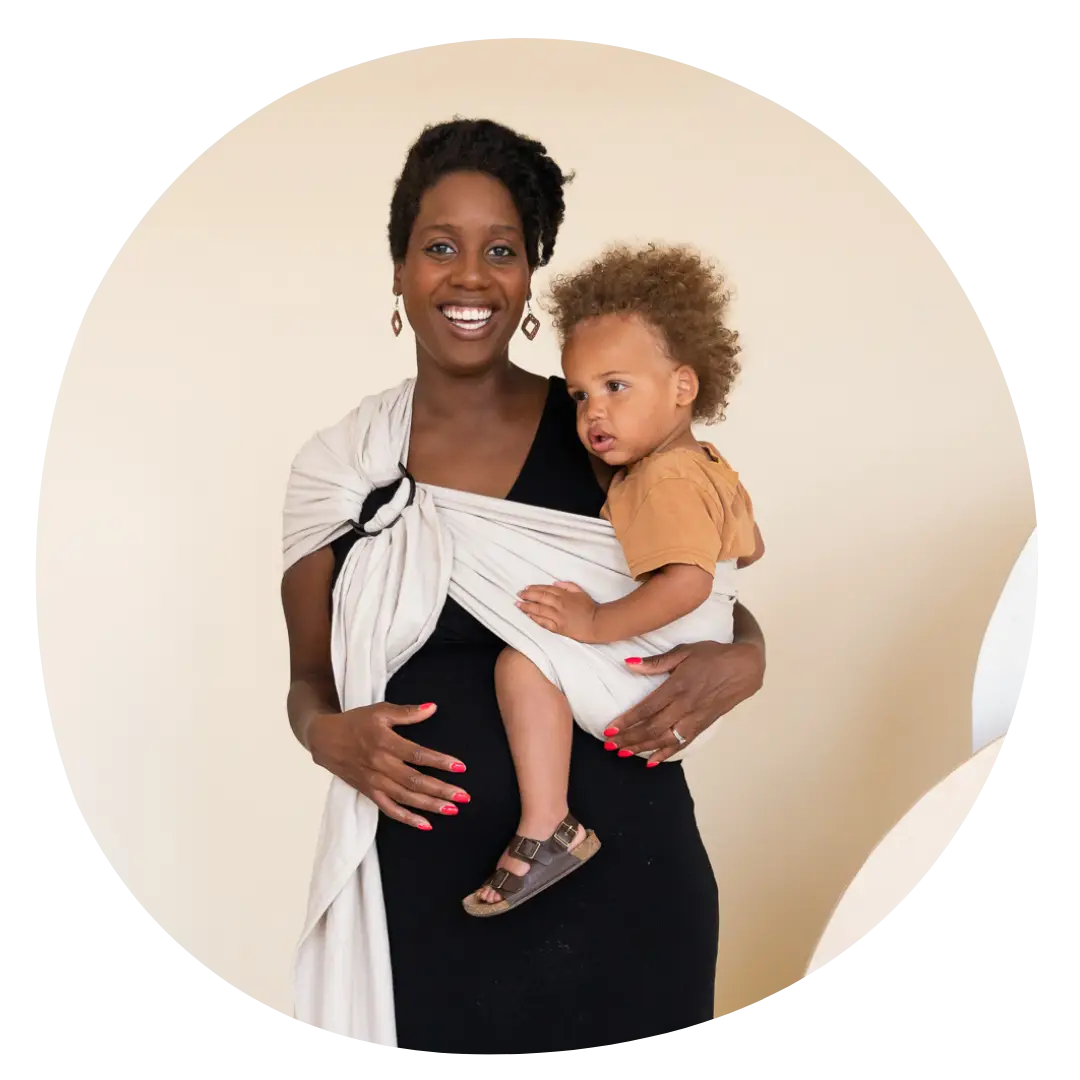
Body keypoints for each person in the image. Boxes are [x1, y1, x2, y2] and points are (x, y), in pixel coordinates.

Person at [280, 118, 767, 1054]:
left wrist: (749, 658)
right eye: (439, 247)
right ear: (398, 270)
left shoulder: (602, 427)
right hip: (428, 895)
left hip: (631, 874)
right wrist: (325, 735)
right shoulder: (342, 472)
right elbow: (308, 679)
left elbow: (699, 587)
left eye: (501, 250)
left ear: (531, 275)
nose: (470, 276)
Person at [465, 243, 760, 917]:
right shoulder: (709, 465)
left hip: (654, 681)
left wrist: (592, 622)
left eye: (616, 387)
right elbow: (749, 550)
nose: (593, 412)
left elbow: (686, 584)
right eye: (580, 395)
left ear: (683, 387)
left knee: (523, 663)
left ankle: (549, 828)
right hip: (679, 673)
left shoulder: (666, 476)